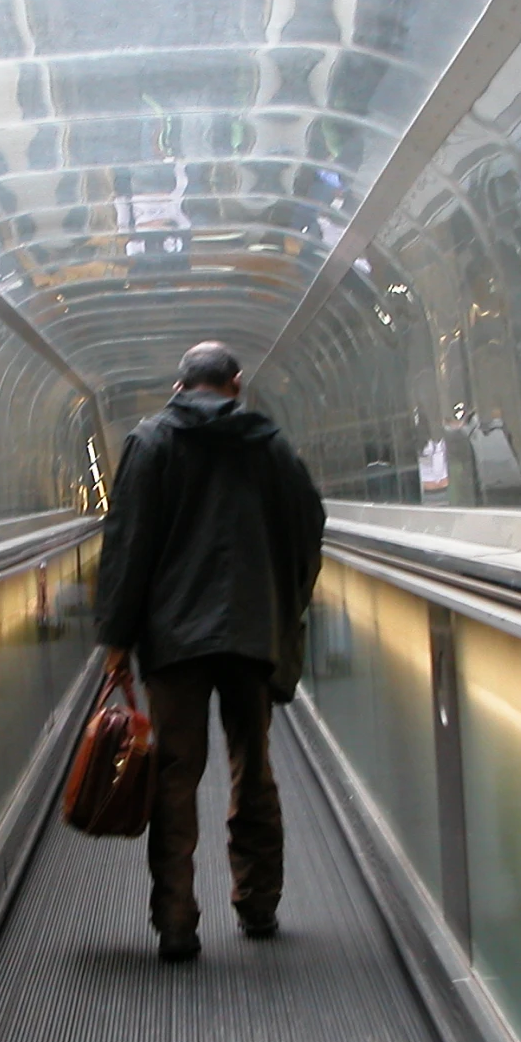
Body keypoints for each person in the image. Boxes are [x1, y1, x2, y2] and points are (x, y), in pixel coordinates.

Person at [94, 341, 325, 961]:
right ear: (237, 383)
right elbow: (309, 525)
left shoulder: (150, 443)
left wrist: (118, 638)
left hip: (174, 637)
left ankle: (175, 921)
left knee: (175, 771)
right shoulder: (270, 446)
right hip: (252, 631)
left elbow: (128, 543)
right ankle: (258, 904)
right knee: (254, 765)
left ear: (180, 385)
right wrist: (288, 601)